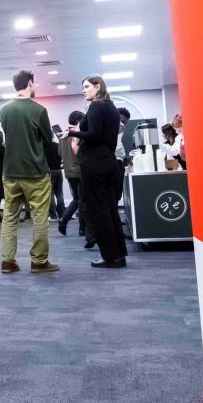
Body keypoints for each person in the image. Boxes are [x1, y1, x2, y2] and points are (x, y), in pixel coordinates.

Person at [0, 70, 59, 274]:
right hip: (35, 172)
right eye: (35, 83)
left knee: (9, 218)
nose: (36, 86)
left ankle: (8, 261)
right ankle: (39, 262)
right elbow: (48, 140)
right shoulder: (39, 110)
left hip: (10, 172)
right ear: (30, 83)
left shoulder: (4, 110)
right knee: (40, 218)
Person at [66, 75, 127, 269]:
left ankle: (110, 257)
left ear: (98, 86)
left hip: (94, 163)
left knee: (99, 211)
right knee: (109, 209)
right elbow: (99, 133)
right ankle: (118, 254)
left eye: (86, 87)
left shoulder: (96, 106)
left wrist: (72, 133)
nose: (84, 90)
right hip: (107, 162)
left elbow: (93, 135)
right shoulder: (110, 106)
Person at [58, 111, 86, 237]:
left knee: (77, 199)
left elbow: (60, 153)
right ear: (80, 120)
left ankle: (65, 220)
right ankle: (80, 227)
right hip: (79, 170)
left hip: (68, 172)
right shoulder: (78, 134)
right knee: (81, 200)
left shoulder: (63, 135)